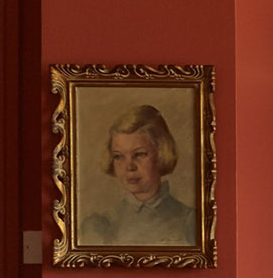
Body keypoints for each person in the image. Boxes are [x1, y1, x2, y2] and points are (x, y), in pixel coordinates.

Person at [78, 104, 197, 246]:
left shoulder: (190, 221)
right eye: (118, 157)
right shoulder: (100, 224)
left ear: (161, 153)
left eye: (140, 154)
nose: (129, 167)